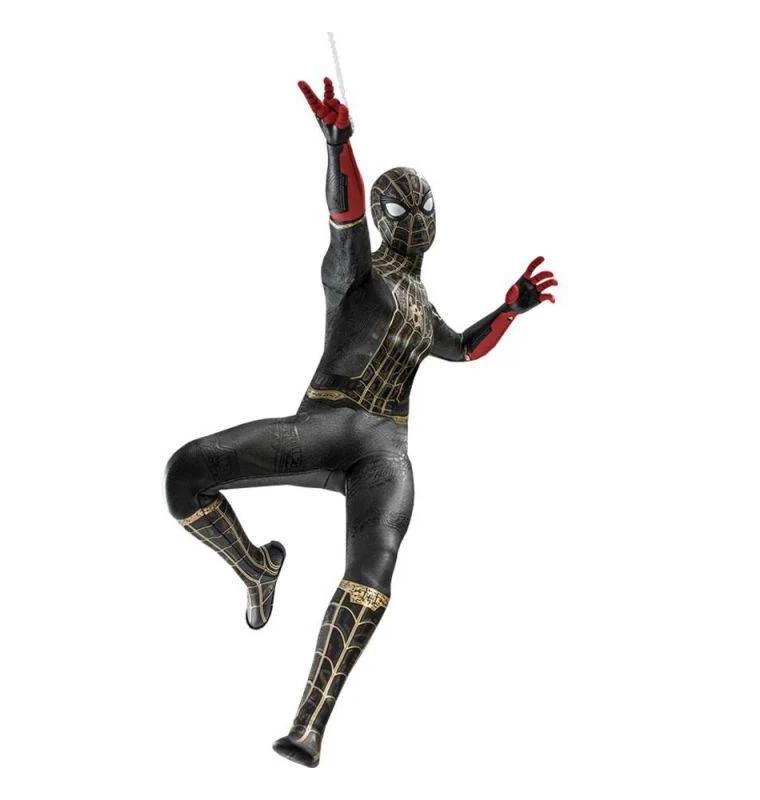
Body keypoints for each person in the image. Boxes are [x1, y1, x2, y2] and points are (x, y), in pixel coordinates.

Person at [164, 76, 558, 767]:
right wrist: (338, 145)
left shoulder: (421, 309)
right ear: (383, 216)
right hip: (325, 426)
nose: (416, 217)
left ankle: (309, 725)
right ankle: (257, 569)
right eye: (402, 206)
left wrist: (510, 309)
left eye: (424, 205)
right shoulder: (355, 274)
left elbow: (464, 349)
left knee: (374, 569)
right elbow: (341, 217)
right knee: (185, 472)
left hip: (385, 454)